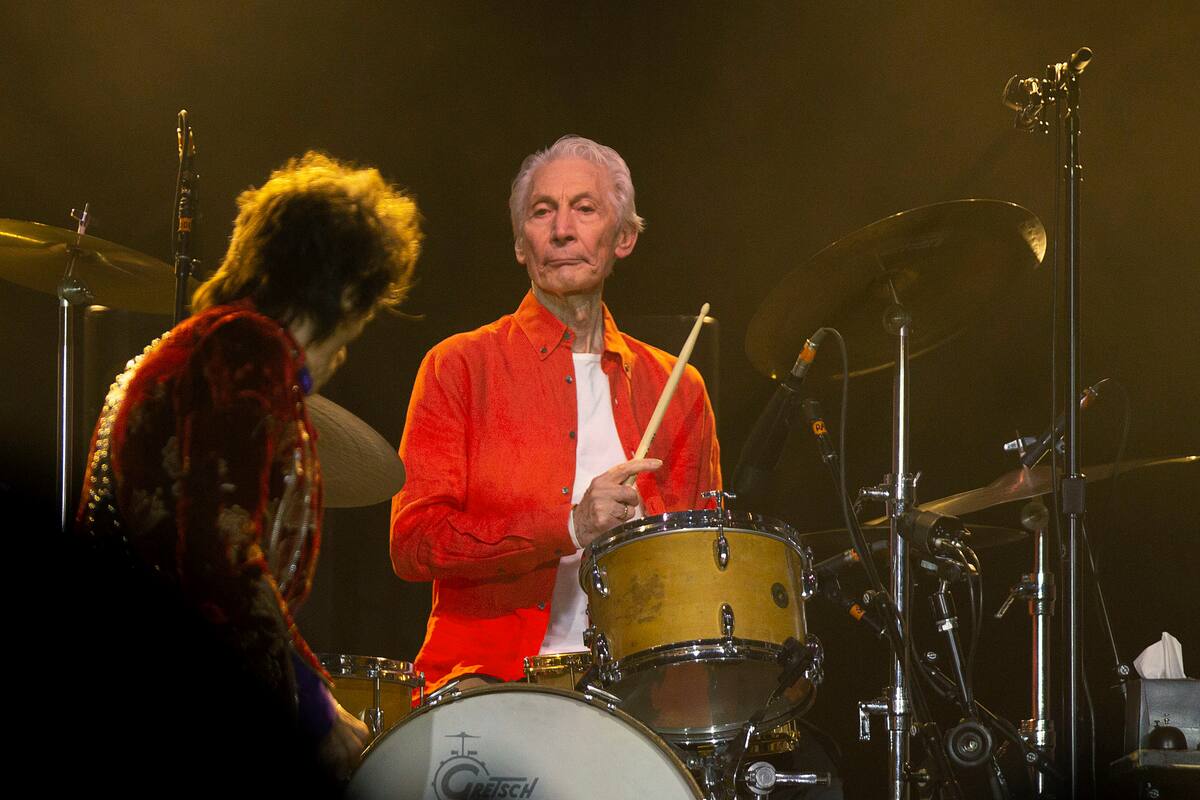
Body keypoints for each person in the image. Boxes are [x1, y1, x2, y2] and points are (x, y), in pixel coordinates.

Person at [72, 151, 421, 792]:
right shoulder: (245, 349)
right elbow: (220, 555)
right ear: (347, 289)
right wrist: (313, 708)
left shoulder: (203, 346)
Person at [390, 135, 721, 692]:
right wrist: (570, 525)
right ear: (522, 244)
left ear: (625, 238)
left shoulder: (679, 386)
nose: (562, 229)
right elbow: (413, 542)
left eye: (585, 209)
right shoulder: (460, 366)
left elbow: (707, 555)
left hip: (637, 687)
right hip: (486, 680)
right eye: (542, 212)